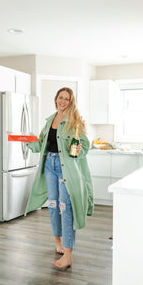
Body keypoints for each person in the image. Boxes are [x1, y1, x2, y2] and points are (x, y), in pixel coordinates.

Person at [25, 87, 94, 270]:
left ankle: (69, 254)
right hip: (49, 165)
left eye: (67, 99)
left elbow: (85, 147)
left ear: (71, 102)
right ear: (56, 99)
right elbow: (40, 144)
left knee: (66, 207)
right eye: (61, 98)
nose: (63, 101)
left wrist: (79, 149)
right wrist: (26, 140)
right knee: (53, 205)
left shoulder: (74, 122)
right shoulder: (50, 121)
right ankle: (58, 242)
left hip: (65, 168)